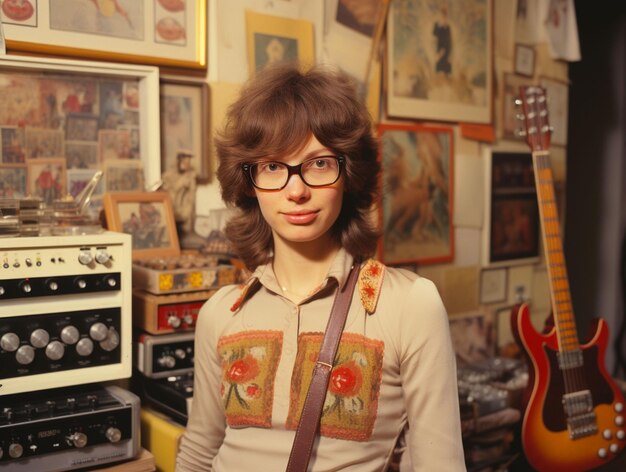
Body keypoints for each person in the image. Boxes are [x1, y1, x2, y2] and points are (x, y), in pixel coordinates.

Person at [175, 63, 465, 471]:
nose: (296, 190)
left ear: (349, 175)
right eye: (273, 167)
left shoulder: (409, 306)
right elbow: (199, 453)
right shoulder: (220, 314)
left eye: (319, 164)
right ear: (249, 182)